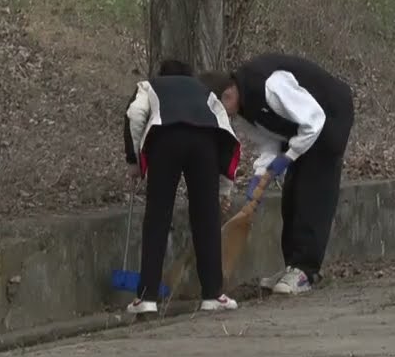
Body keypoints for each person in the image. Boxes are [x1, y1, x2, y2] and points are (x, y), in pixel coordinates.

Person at [199, 53, 356, 295]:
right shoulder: (244, 110)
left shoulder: (270, 85)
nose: (222, 118)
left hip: (329, 116)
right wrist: (261, 175)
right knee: (292, 194)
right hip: (300, 131)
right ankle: (292, 266)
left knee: (313, 192)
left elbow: (314, 120)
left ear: (228, 94)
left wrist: (289, 157)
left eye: (219, 109)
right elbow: (269, 142)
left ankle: (306, 271)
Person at [123, 59, 242, 315]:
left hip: (165, 141)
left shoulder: (149, 86)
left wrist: (134, 160)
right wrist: (223, 190)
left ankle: (147, 299)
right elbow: (225, 133)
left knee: (157, 216)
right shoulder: (205, 92)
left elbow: (134, 115)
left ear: (162, 74)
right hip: (205, 144)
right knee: (206, 217)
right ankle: (212, 295)